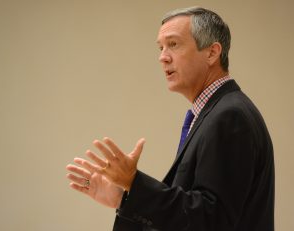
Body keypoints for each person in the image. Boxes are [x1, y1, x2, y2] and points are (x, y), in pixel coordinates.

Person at [66, 7, 275, 231]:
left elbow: (211, 221)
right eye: (161, 47)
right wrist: (124, 199)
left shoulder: (229, 117)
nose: (162, 57)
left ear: (212, 53)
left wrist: (135, 183)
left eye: (173, 44)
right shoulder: (215, 113)